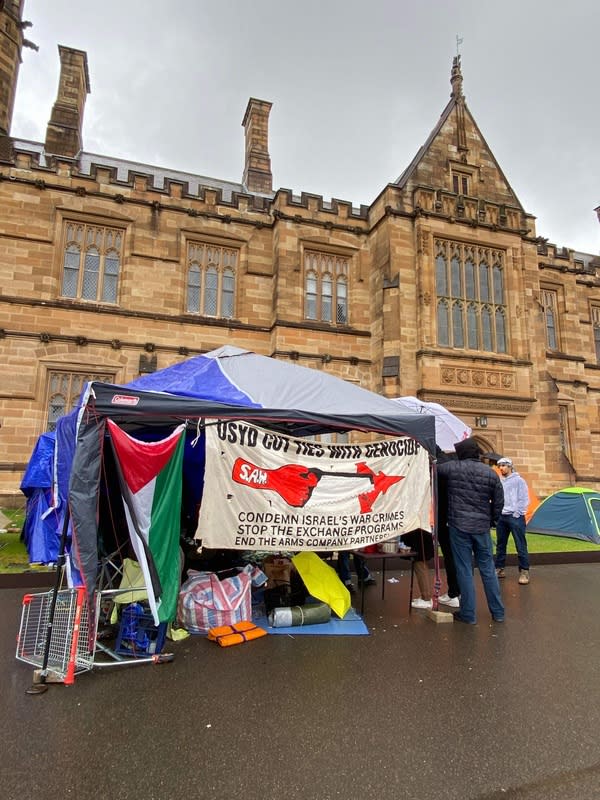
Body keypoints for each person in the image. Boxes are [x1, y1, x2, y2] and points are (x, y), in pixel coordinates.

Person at [437, 437, 505, 624]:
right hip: (482, 527)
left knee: (465, 570)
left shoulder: (454, 468)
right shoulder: (491, 473)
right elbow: (499, 501)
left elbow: (435, 467)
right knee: (488, 570)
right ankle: (498, 612)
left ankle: (468, 614)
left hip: (459, 527)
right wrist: (492, 520)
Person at [494, 457, 531, 585]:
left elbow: (524, 498)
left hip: (515, 517)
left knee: (520, 545)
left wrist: (517, 513)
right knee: (500, 544)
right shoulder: (499, 481)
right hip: (502, 516)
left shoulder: (519, 481)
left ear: (510, 466)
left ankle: (524, 571)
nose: (501, 468)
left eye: (504, 465)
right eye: (500, 466)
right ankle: (500, 568)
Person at [435, 448, 460, 608]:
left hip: (445, 520)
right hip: (461, 520)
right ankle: (461, 592)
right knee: (461, 558)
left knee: (451, 557)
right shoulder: (456, 466)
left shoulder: (440, 470)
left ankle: (454, 593)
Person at [401, 528, 435, 610]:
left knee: (419, 563)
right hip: (419, 532)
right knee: (420, 563)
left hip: (418, 534)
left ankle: (426, 597)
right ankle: (425, 596)